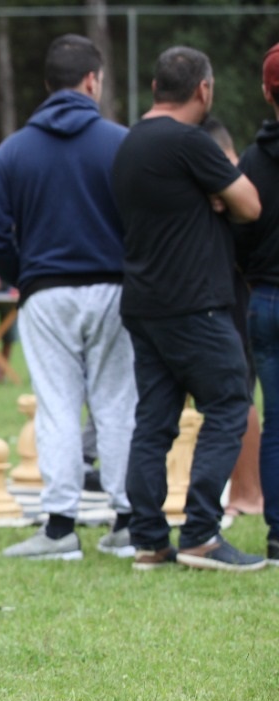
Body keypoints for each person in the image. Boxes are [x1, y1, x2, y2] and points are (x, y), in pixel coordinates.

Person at [0, 34, 138, 561]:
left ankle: (60, 528)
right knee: (117, 403)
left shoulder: (13, 150)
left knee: (58, 407)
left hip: (46, 291)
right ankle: (129, 522)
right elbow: (146, 220)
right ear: (93, 81)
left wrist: (27, 273)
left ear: (47, 85)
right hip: (115, 289)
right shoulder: (121, 142)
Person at [111, 46, 264, 571]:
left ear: (156, 87)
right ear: (204, 90)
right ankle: (201, 531)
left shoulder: (129, 143)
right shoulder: (189, 142)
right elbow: (249, 203)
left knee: (153, 421)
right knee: (228, 403)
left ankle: (150, 539)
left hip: (144, 303)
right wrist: (217, 193)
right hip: (196, 303)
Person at [203, 117, 265, 519]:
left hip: (246, 298)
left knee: (240, 393)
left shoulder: (243, 180)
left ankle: (248, 493)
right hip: (231, 298)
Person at [234, 42, 279, 563]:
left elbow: (238, 240)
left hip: (265, 297)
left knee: (275, 419)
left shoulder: (251, 162)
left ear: (267, 91)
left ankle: (277, 533)